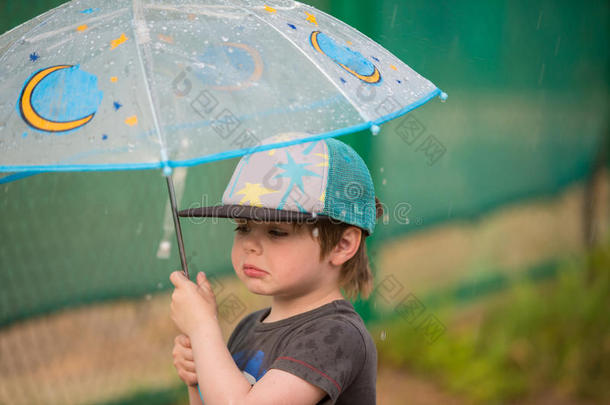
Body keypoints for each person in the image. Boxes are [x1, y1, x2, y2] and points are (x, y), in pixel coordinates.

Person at [169, 135, 383, 404]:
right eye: (243, 227)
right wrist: (198, 377)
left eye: (276, 232)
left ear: (342, 245)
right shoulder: (250, 325)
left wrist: (202, 327)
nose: (251, 245)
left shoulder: (336, 335)